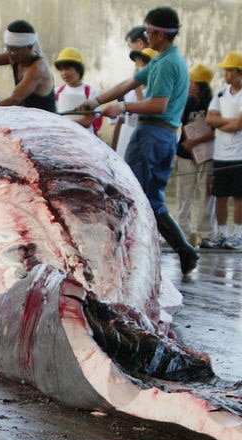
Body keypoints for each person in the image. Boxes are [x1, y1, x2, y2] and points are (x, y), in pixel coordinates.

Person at [78, 6, 198, 274]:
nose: (146, 35)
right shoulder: (163, 59)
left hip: (153, 134)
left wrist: (122, 108)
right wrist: (97, 101)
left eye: (149, 31)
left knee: (131, 196)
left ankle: (132, 254)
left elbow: (158, 104)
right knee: (149, 199)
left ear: (158, 34)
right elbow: (128, 84)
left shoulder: (166, 64)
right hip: (161, 136)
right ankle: (184, 250)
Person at [202, 52, 242, 249]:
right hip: (220, 154)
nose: (226, 74)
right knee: (219, 195)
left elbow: (239, 125)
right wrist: (229, 122)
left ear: (239, 72)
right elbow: (210, 119)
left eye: (230, 70)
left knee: (238, 196)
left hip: (238, 154)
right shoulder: (220, 93)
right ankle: (222, 233)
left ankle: (238, 234)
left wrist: (223, 123)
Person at [175, 63, 216, 248]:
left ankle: (205, 233)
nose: (191, 85)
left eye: (195, 82)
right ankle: (182, 232)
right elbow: (182, 124)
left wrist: (196, 143)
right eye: (190, 81)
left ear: (203, 85)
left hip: (206, 153)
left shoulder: (212, 103)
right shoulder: (186, 101)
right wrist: (188, 145)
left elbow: (216, 130)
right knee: (184, 193)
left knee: (206, 193)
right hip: (185, 152)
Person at [112, 48, 157, 157]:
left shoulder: (156, 92)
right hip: (124, 143)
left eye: (143, 64)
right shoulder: (129, 91)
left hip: (141, 146)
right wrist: (113, 148)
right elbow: (120, 121)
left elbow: (146, 112)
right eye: (137, 64)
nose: (138, 68)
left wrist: (137, 90)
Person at [53, 47, 101, 134]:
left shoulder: (91, 92)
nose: (64, 73)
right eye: (61, 70)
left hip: (84, 138)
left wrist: (62, 124)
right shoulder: (57, 92)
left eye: (67, 68)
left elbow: (87, 121)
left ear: (78, 69)